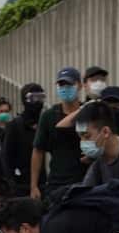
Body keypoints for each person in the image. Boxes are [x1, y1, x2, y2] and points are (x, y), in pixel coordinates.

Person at [31, 67, 85, 205]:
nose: (65, 88)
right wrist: (34, 185)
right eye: (61, 84)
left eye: (69, 84)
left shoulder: (88, 112)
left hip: (86, 182)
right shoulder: (48, 116)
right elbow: (38, 151)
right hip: (57, 183)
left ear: (80, 85)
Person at [2, 83, 45, 197]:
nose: (37, 102)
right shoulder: (14, 126)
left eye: (40, 97)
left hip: (42, 186)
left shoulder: (43, 124)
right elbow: (7, 159)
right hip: (20, 188)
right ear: (25, 100)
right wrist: (12, 186)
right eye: (33, 98)